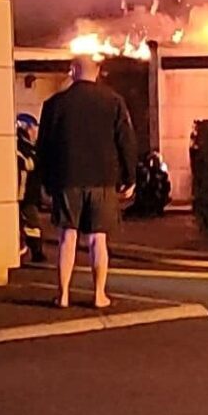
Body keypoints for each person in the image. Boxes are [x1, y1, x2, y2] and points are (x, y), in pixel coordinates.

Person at [37, 56, 136, 309]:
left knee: (66, 238)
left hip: (67, 178)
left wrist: (45, 181)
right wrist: (129, 177)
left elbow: (44, 147)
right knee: (97, 240)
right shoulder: (113, 102)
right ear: (98, 72)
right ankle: (99, 294)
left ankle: (63, 295)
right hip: (102, 180)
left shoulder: (54, 105)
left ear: (72, 71)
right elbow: (126, 141)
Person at [16, 112, 46, 263]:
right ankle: (35, 251)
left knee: (30, 225)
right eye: (33, 128)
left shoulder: (31, 147)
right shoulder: (19, 148)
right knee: (31, 224)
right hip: (23, 194)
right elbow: (28, 164)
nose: (35, 132)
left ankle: (32, 250)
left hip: (30, 194)